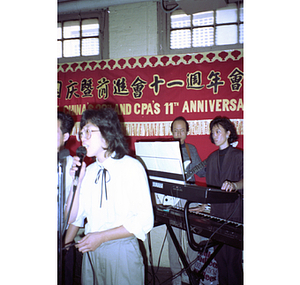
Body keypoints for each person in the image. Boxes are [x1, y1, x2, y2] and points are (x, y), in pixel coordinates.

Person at [64, 108, 154, 285]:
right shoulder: (88, 172)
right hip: (91, 252)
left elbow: (145, 220)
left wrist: (102, 237)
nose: (83, 137)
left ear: (107, 133)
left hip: (121, 251)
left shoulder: (131, 167)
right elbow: (71, 217)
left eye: (89, 131)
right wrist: (78, 181)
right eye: (82, 132)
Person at [197, 116, 243, 285]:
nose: (214, 135)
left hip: (234, 215)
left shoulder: (239, 155)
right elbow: (211, 189)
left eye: (218, 131)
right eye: (212, 132)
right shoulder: (211, 158)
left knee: (233, 262)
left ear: (228, 133)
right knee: (220, 261)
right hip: (216, 216)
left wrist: (234, 184)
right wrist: (204, 206)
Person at [166, 116, 206, 285]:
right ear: (171, 132)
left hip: (189, 196)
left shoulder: (191, 149)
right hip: (171, 196)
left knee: (193, 237)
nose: (179, 133)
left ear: (187, 132)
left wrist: (197, 167)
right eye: (176, 130)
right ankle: (176, 275)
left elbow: (202, 173)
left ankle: (189, 273)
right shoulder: (166, 149)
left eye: (182, 130)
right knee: (173, 237)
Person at [58, 111, 81, 285]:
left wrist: (64, 244)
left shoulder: (72, 167)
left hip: (59, 241)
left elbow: (78, 211)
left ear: (65, 136)